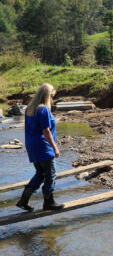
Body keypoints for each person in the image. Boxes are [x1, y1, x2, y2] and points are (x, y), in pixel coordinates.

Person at [16, 83, 64, 212]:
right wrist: (55, 148)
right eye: (52, 96)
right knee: (50, 174)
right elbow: (46, 131)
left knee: (40, 174)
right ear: (48, 95)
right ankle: (49, 202)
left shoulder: (29, 108)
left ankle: (23, 200)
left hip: (32, 146)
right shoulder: (43, 109)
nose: (53, 99)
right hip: (43, 146)